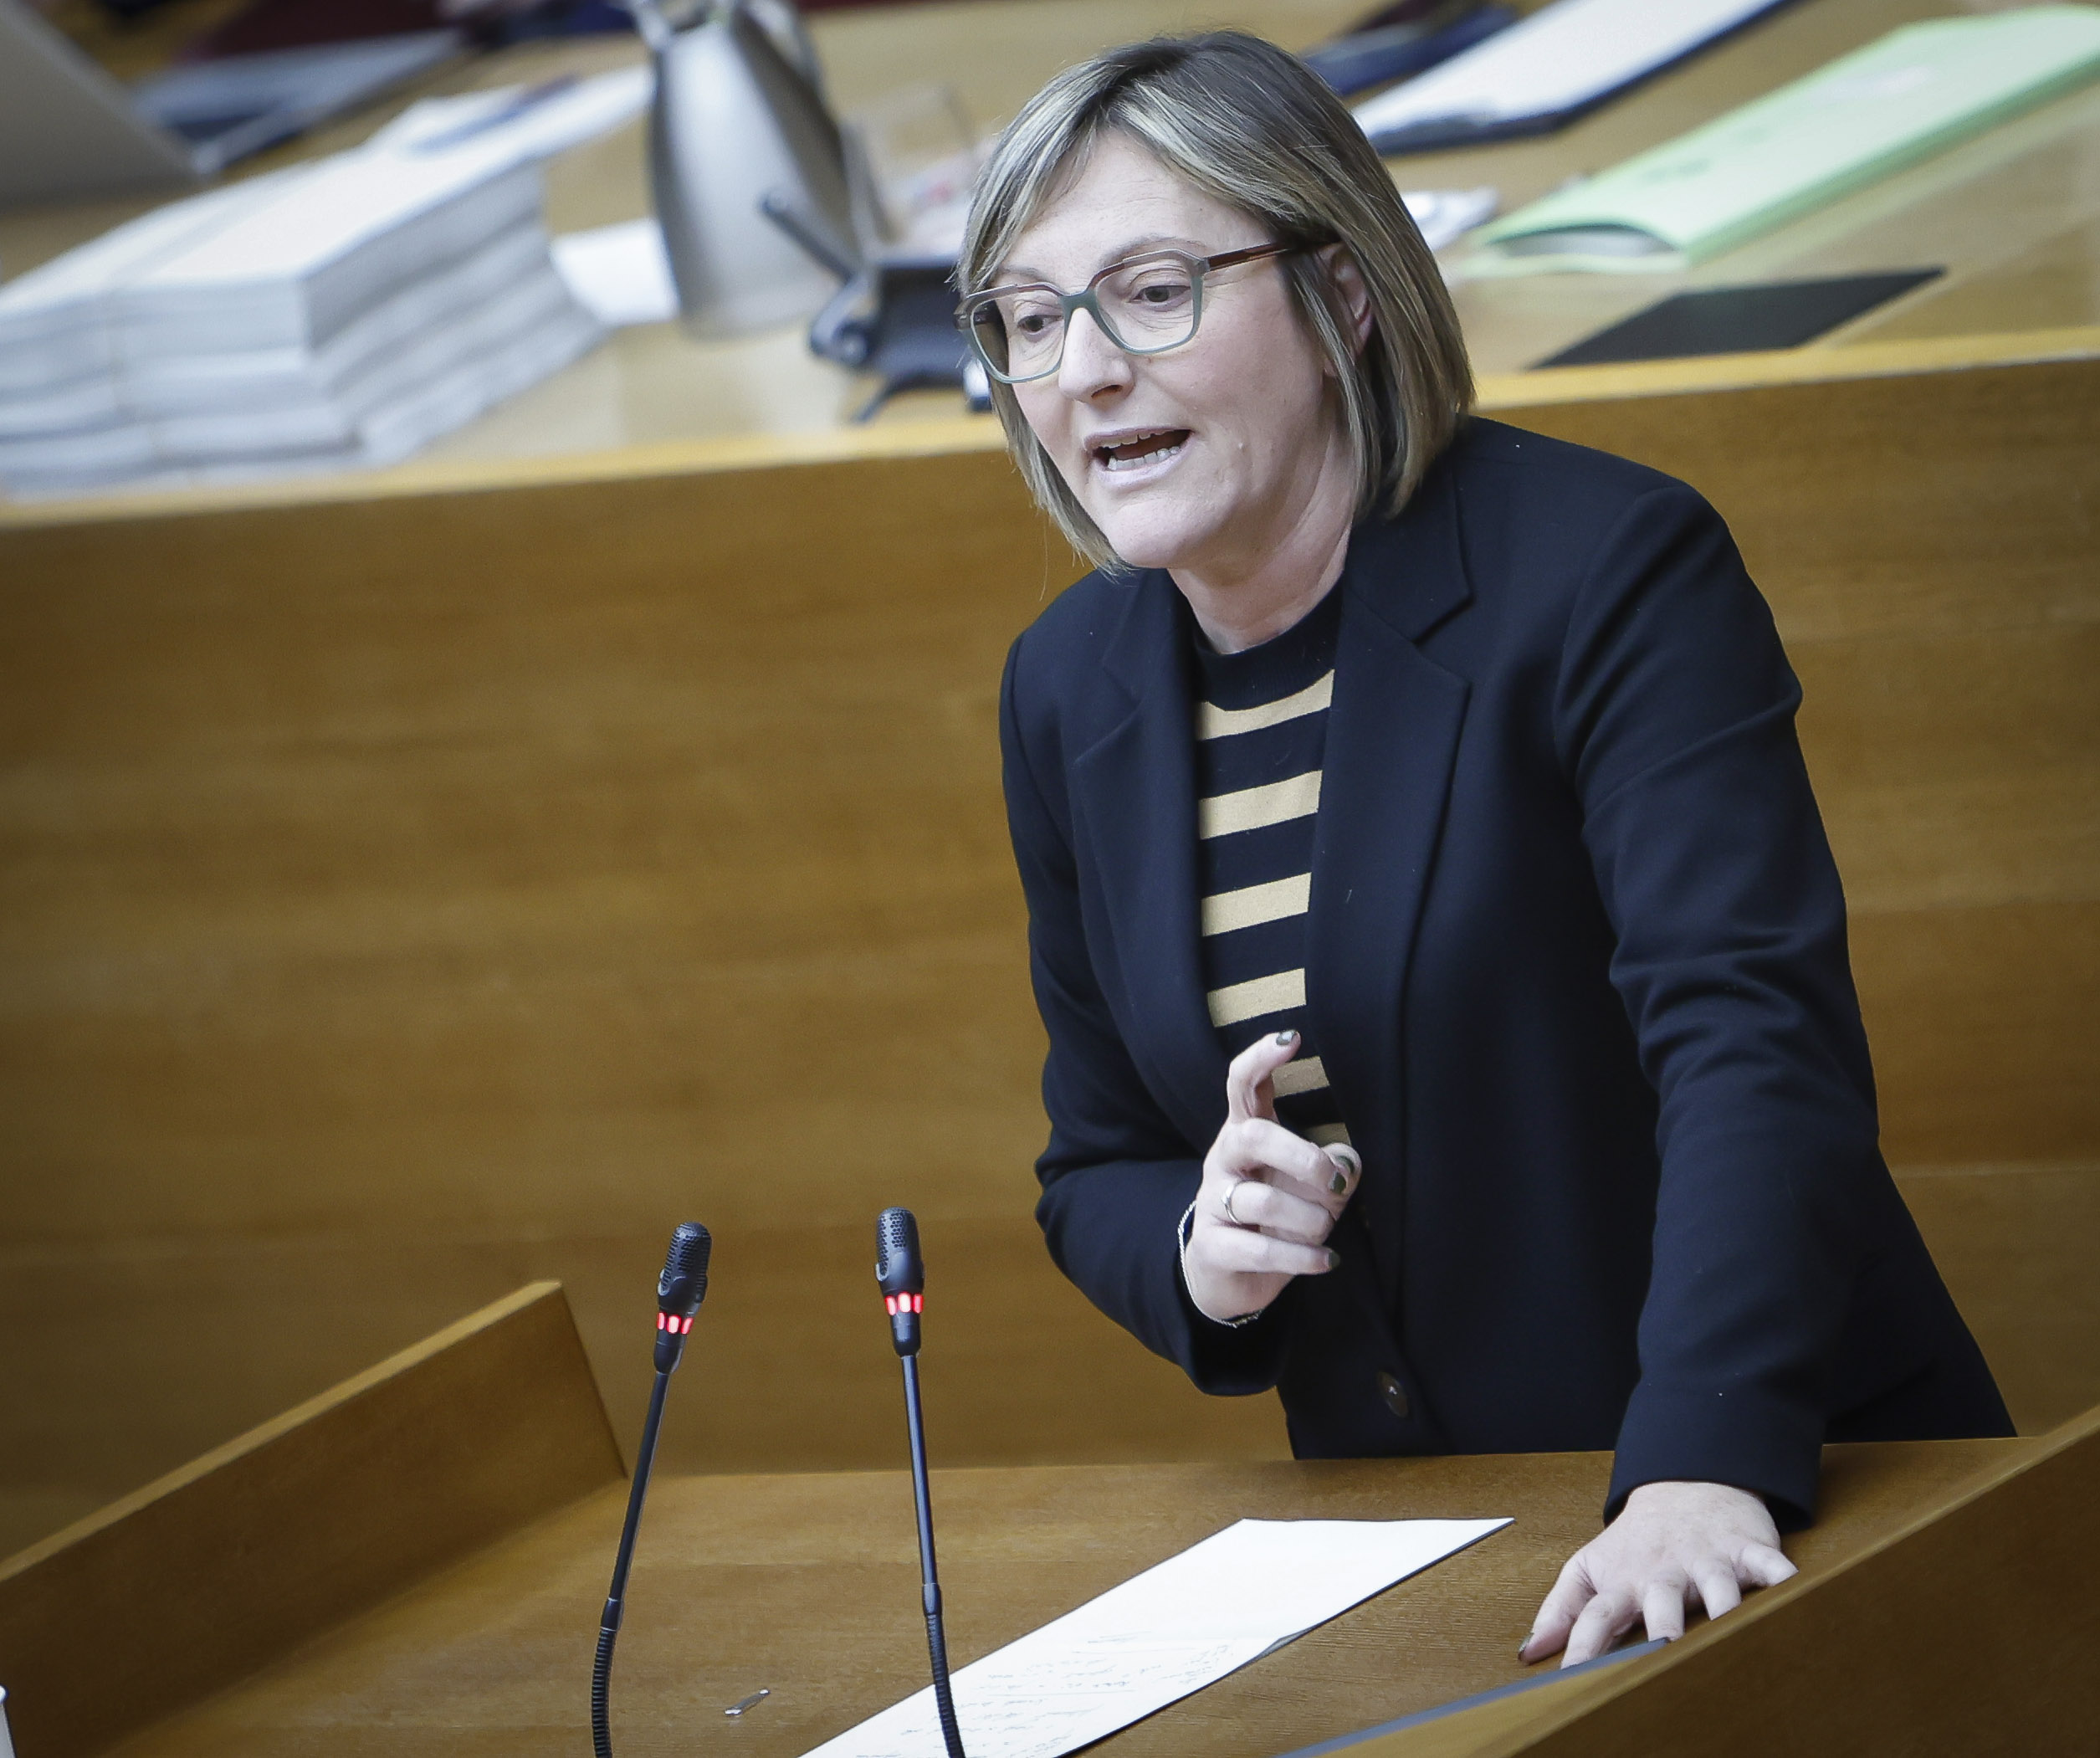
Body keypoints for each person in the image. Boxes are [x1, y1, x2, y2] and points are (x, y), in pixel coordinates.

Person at [966, 31, 2013, 1668]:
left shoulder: (1604, 573)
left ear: (1342, 297)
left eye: (1151, 291)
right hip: (1428, 1561)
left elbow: (1753, 1049)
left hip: (1776, 1498)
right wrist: (1204, 1248)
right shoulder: (1067, 691)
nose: (1085, 370)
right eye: (1030, 322)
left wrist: (1697, 1460)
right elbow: (1094, 1161)